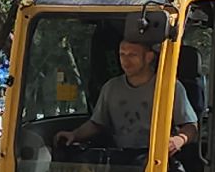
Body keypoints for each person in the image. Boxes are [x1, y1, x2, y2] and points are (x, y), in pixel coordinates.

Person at [53, 37, 198, 157]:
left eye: (132, 55)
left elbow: (191, 126)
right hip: (120, 160)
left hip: (157, 162)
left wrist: (179, 140)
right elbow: (97, 123)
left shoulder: (169, 87)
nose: (125, 61)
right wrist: (74, 135)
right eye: (122, 54)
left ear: (149, 57)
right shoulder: (111, 87)